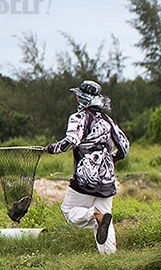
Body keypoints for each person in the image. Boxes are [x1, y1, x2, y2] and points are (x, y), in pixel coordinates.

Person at [44, 80, 130, 254]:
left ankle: (94, 215)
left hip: (85, 178)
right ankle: (110, 262)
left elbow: (72, 141)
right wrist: (112, 159)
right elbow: (125, 146)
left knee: (69, 212)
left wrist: (52, 148)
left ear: (81, 98)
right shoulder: (108, 120)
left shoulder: (78, 117)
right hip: (107, 180)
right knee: (105, 220)